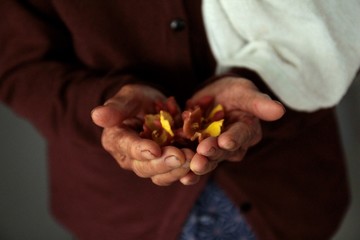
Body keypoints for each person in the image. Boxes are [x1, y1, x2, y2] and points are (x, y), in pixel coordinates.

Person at [0, 1, 359, 239]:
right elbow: (19, 64)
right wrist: (105, 107)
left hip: (289, 193)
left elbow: (339, 21)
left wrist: (271, 79)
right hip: (118, 212)